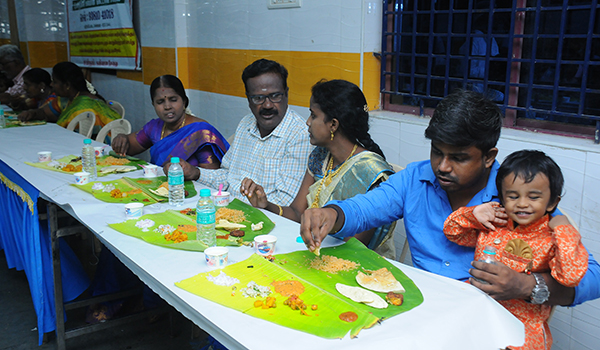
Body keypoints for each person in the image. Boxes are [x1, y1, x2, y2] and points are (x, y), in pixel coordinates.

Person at [300, 90, 600, 310]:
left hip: (487, 322)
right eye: (437, 152)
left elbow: (592, 278)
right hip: (422, 309)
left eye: (458, 158)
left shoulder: (517, 198)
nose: (442, 166)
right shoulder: (415, 179)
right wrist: (332, 214)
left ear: (488, 157)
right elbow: (366, 208)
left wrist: (525, 285)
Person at [444, 150, 588, 350]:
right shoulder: (496, 223)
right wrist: (474, 214)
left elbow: (570, 276)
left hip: (523, 326)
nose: (522, 204)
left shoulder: (551, 237)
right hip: (478, 311)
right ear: (502, 197)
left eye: (534, 197)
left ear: (553, 202)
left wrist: (564, 229)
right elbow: (452, 231)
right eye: (512, 196)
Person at [240, 79, 395, 255]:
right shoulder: (320, 156)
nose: (307, 122)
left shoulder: (369, 172)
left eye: (313, 115)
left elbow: (351, 249)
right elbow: (298, 213)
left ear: (333, 125)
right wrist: (266, 204)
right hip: (318, 252)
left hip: (355, 265)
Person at [166, 58, 312, 206]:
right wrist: (195, 172)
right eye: (258, 98)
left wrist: (258, 202)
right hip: (227, 208)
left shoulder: (299, 135)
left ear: (286, 94)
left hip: (264, 220)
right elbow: (227, 177)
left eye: (275, 96)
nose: (267, 105)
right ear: (248, 100)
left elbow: (286, 203)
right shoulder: (246, 124)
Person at [111, 75, 229, 168]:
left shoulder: (200, 133)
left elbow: (211, 178)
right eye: (160, 102)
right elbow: (128, 148)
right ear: (153, 105)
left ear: (184, 101)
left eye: (173, 100)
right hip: (160, 189)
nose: (167, 106)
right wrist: (122, 139)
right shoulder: (154, 127)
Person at [50, 61, 121, 128]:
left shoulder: (82, 107)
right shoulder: (73, 99)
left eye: (55, 82)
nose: (51, 84)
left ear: (67, 85)